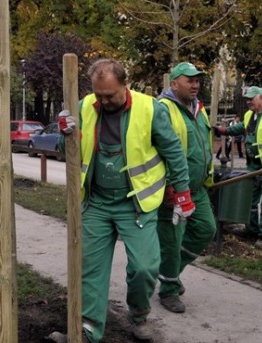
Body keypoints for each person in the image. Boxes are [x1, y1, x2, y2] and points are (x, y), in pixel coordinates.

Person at [55, 59, 192, 342]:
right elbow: (66, 152)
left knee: (144, 267)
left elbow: (174, 152)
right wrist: (65, 133)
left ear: (124, 84)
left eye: (110, 95)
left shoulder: (149, 109)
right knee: (89, 267)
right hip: (97, 203)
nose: (103, 101)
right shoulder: (83, 107)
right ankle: (88, 328)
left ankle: (138, 316)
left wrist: (183, 194)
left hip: (136, 205)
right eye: (98, 95)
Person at [156, 62, 216, 313]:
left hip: (197, 188)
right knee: (172, 240)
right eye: (189, 80)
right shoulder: (162, 109)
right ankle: (168, 291)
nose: (195, 85)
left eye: (197, 81)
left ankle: (169, 273)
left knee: (206, 229)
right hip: (172, 190)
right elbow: (159, 150)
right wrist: (170, 184)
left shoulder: (199, 108)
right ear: (174, 83)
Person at [216, 86, 262, 247]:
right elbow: (240, 128)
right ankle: (251, 230)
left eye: (252, 98)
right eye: (247, 99)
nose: (249, 102)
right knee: (250, 200)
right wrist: (224, 130)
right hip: (253, 166)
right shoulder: (250, 115)